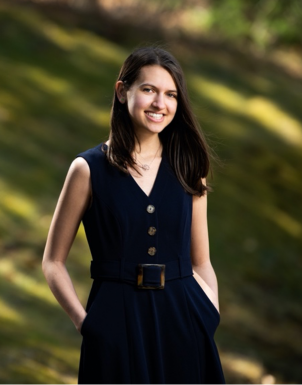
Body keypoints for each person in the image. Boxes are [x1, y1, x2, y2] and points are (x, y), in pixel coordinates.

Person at [42, 46, 225, 384]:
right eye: (148, 90)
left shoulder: (190, 167)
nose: (160, 103)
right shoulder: (87, 169)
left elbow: (201, 262)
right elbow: (53, 261)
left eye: (170, 94)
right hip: (115, 323)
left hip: (185, 320)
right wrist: (86, 324)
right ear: (122, 90)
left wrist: (208, 313)